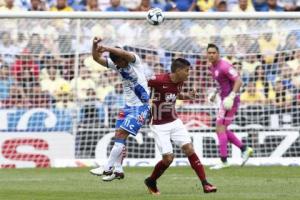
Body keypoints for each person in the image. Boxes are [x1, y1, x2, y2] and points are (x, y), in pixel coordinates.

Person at [144, 58, 217, 195]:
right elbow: (140, 82)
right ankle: (151, 180)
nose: (188, 73)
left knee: (189, 148)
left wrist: (188, 96)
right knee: (168, 159)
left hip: (174, 120)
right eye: (186, 70)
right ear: (178, 70)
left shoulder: (180, 81)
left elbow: (175, 95)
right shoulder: (158, 80)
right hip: (159, 124)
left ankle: (205, 184)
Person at [89, 37, 150, 181]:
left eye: (119, 62)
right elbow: (96, 58)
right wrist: (94, 45)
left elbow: (125, 54)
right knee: (118, 136)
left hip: (141, 107)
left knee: (122, 134)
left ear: (123, 59)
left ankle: (107, 167)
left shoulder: (135, 62)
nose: (118, 66)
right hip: (128, 106)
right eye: (115, 63)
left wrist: (107, 48)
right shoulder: (117, 64)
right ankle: (118, 170)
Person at [206, 43, 253, 170]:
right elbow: (221, 83)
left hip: (230, 101)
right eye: (209, 53)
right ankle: (244, 149)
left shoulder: (224, 66)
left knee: (220, 128)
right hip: (224, 100)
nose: (211, 55)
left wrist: (231, 97)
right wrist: (215, 93)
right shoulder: (212, 67)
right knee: (222, 129)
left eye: (213, 53)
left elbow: (239, 81)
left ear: (218, 54)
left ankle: (224, 160)